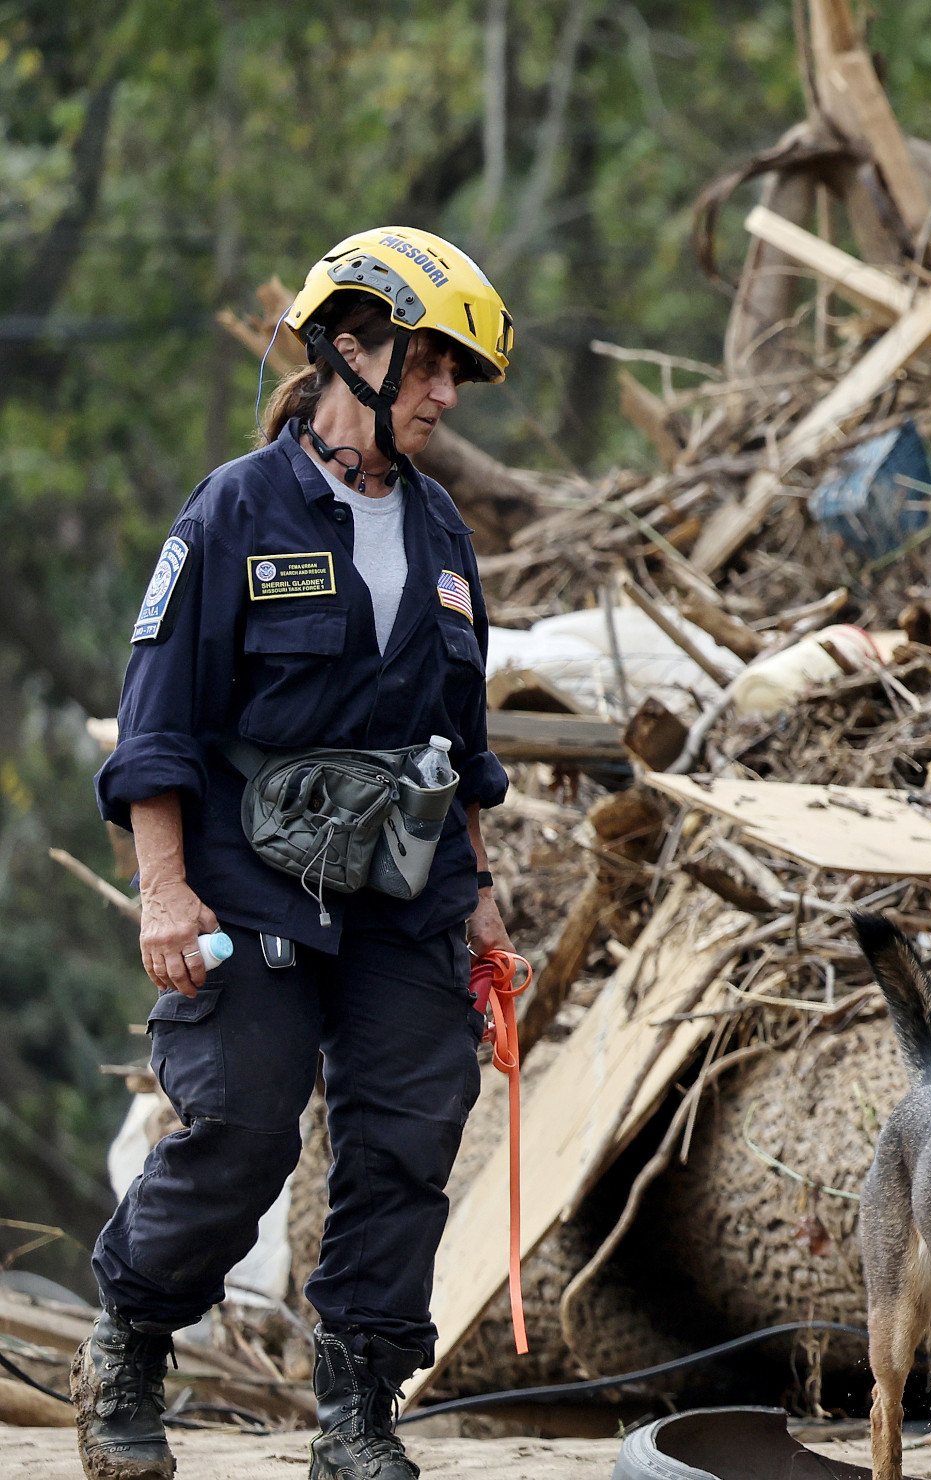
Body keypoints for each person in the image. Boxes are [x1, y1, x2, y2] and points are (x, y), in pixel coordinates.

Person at [77, 227, 518, 1480]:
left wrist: (477, 898)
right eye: (430, 366)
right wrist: (164, 894)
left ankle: (358, 1415)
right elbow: (156, 729)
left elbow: (464, 743)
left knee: (409, 1130)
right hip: (247, 880)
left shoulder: (440, 536)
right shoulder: (231, 512)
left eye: (454, 376)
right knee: (250, 1129)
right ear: (348, 348)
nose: (443, 395)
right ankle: (129, 1337)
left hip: (405, 892)